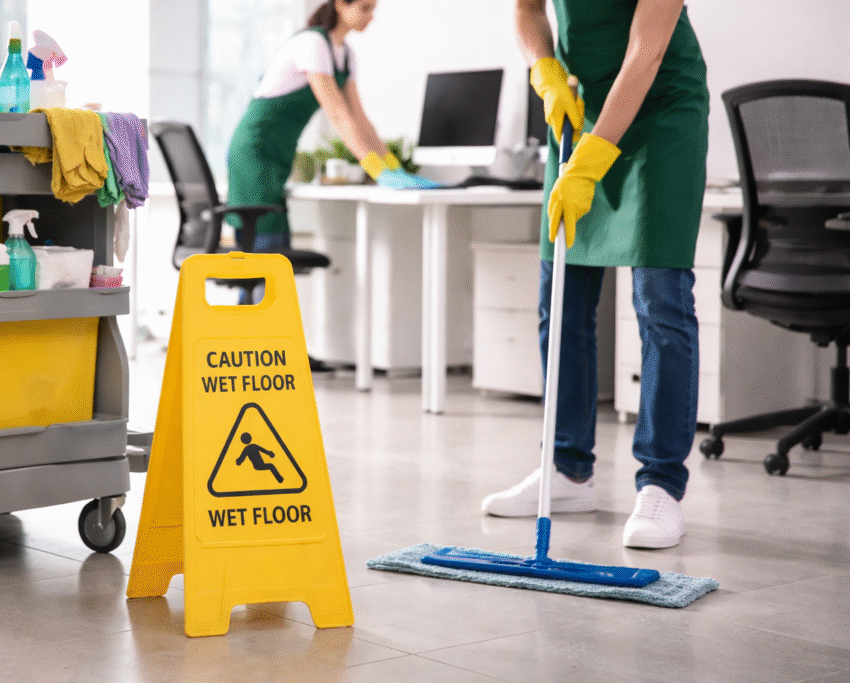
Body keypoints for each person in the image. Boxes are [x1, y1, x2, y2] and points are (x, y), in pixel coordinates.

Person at [481, 0, 709, 550]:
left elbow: (647, 48)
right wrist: (545, 66)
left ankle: (661, 485)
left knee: (661, 299)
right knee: (560, 293)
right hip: (581, 107)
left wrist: (593, 157)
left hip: (660, 106)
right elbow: (528, 11)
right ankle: (565, 469)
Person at [226, 0, 438, 266]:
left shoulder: (346, 55)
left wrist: (394, 168)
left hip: (279, 153)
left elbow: (360, 119)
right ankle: (252, 307)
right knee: (264, 253)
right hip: (255, 151)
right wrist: (376, 169)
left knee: (270, 255)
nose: (370, 17)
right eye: (364, 8)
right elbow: (338, 115)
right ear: (340, 5)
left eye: (373, 9)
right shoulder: (312, 44)